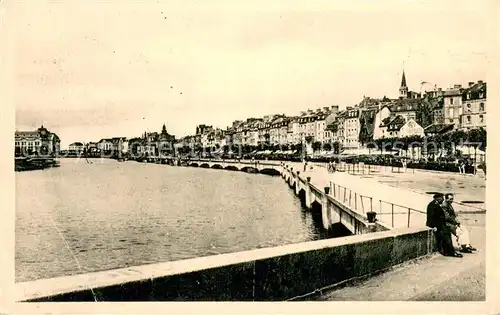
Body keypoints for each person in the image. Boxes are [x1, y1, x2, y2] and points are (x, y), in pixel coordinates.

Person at [426, 193, 462, 257]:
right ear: (437, 198)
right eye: (442, 198)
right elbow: (431, 217)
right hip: (436, 225)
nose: (443, 199)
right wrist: (434, 226)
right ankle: (450, 252)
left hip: (440, 224)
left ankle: (449, 251)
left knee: (447, 234)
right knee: (445, 235)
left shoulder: (436, 204)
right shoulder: (432, 205)